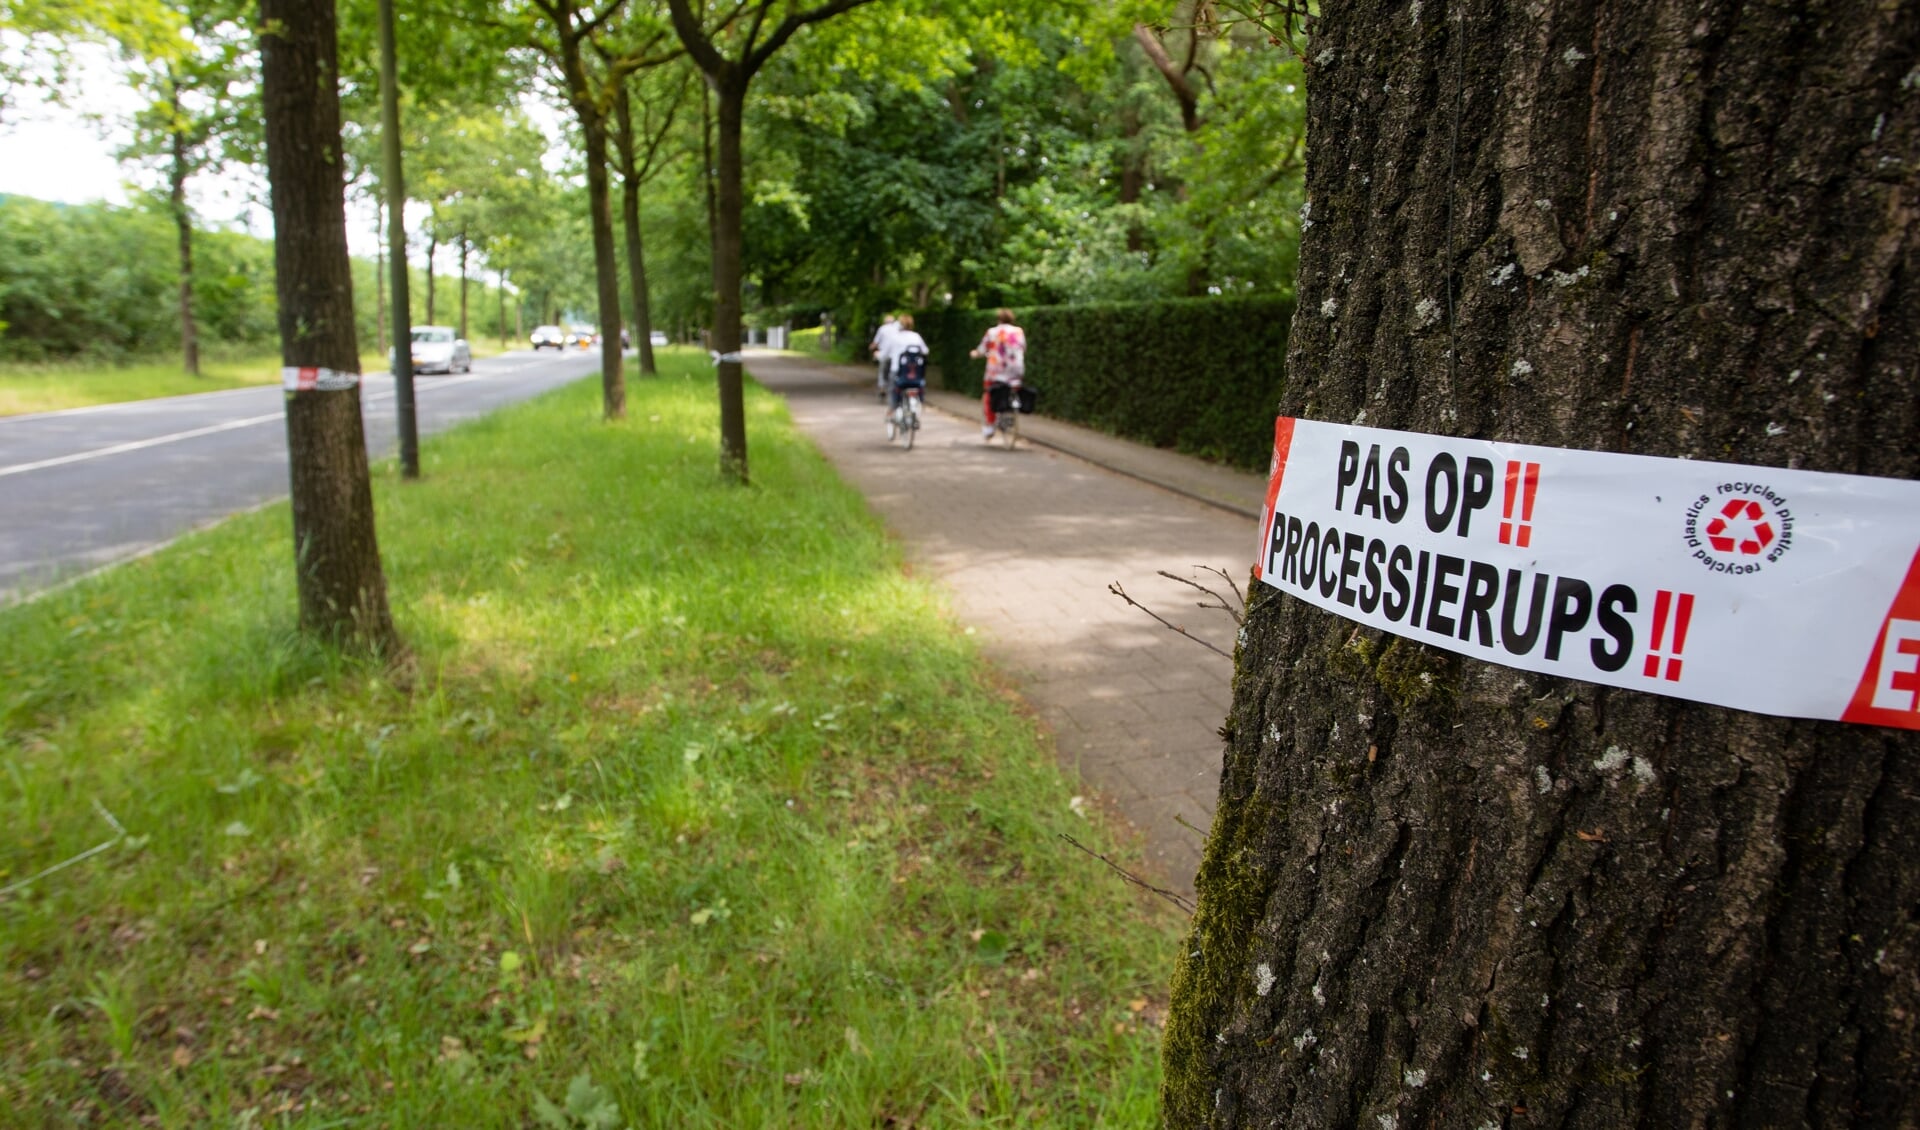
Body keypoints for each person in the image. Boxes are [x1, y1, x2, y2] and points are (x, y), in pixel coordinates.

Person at [969, 307, 1026, 441]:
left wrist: (974, 354)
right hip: (1016, 370)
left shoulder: (992, 332)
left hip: (996, 371)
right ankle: (1011, 410)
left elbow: (982, 349)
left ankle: (989, 425)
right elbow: (1023, 348)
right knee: (1013, 389)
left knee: (989, 393)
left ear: (999, 319)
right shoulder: (1019, 331)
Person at [882, 314, 929, 430]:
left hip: (898, 372)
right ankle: (917, 410)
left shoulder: (894, 337)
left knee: (893, 390)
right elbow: (925, 351)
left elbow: (884, 354)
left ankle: (892, 411)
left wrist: (879, 355)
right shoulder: (916, 336)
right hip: (914, 373)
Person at [869, 314, 901, 400]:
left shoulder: (882, 329)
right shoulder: (897, 328)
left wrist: (871, 347)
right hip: (895, 356)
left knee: (882, 372)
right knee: (895, 372)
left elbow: (876, 342)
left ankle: (882, 389)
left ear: (885, 322)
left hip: (884, 354)